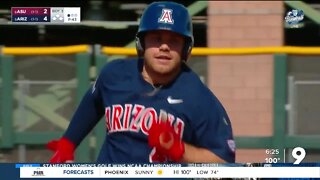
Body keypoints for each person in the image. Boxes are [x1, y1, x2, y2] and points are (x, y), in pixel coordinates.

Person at [47, 1, 236, 163]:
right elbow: (93, 100)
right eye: (156, 38)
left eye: (174, 41)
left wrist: (179, 149)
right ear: (141, 43)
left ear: (186, 49)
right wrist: (68, 143)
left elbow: (225, 160)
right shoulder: (115, 74)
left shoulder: (198, 97)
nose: (164, 47)